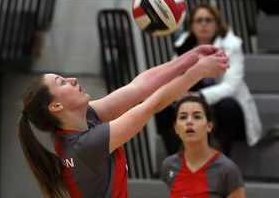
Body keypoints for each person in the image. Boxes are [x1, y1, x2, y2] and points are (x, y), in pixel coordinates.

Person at [18, 45, 229, 198]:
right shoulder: (87, 145)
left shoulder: (81, 121)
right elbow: (153, 104)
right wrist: (198, 71)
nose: (72, 79)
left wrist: (191, 57)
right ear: (55, 107)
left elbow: (139, 87)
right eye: (61, 82)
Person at [160, 3, 262, 156]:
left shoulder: (232, 45)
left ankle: (218, 159)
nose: (203, 24)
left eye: (208, 20)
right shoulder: (183, 45)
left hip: (223, 109)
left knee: (228, 106)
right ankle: (178, 159)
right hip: (192, 106)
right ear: (191, 26)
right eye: (199, 20)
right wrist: (177, 93)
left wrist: (198, 97)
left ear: (217, 25)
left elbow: (230, 87)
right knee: (161, 104)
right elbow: (173, 79)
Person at [160, 95, 246, 198]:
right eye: (183, 117)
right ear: (176, 128)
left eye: (197, 117)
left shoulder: (227, 169)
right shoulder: (169, 165)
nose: (189, 122)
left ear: (209, 126)